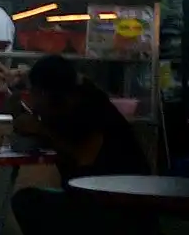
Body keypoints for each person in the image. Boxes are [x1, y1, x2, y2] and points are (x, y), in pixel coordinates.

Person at [10, 55, 154, 235]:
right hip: (105, 201)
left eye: (34, 93)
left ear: (45, 92)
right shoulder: (71, 102)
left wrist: (41, 129)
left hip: (119, 208)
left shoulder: (88, 107)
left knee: (27, 202)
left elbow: (84, 159)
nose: (34, 100)